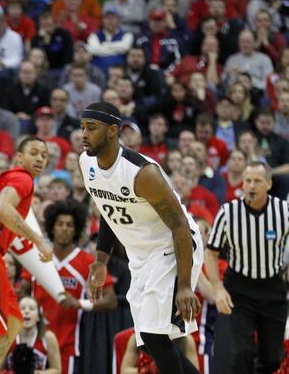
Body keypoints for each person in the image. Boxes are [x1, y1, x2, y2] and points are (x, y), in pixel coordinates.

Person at [80, 102, 203, 374]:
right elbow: (107, 209)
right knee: (147, 341)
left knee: (155, 337)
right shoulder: (85, 163)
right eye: (82, 128)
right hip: (142, 255)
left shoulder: (142, 173)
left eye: (92, 128)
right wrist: (100, 262)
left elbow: (180, 226)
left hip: (173, 247)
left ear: (113, 131)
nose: (84, 134)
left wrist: (184, 285)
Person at [0, 137, 63, 372]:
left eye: (44, 155)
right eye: (34, 152)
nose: (40, 158)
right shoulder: (22, 178)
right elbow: (3, 210)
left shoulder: (18, 180)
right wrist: (40, 240)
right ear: (19, 157)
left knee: (13, 320)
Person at [204, 161, 289, 374]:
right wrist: (217, 287)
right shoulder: (228, 212)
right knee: (241, 352)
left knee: (272, 358)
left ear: (269, 184)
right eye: (248, 180)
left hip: (273, 289)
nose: (251, 186)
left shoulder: (283, 212)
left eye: (257, 181)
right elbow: (211, 252)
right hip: (239, 290)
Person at [24, 199, 118, 373]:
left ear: (76, 229)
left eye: (69, 224)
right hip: (34, 342)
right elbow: (21, 292)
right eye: (60, 224)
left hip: (70, 345)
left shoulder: (87, 261)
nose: (65, 228)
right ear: (52, 227)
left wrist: (80, 303)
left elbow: (111, 300)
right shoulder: (37, 257)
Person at [2, 296, 61, 374]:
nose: (27, 311)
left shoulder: (48, 338)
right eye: (22, 308)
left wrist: (35, 373)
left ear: (38, 317)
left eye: (32, 308)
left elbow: (57, 370)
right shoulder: (7, 337)